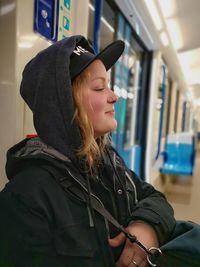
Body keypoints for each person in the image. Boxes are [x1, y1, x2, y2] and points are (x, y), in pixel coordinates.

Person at [0, 35, 175, 267]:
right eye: (100, 87)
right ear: (65, 105)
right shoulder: (25, 199)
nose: (114, 96)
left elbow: (155, 197)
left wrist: (146, 226)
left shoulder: (108, 162)